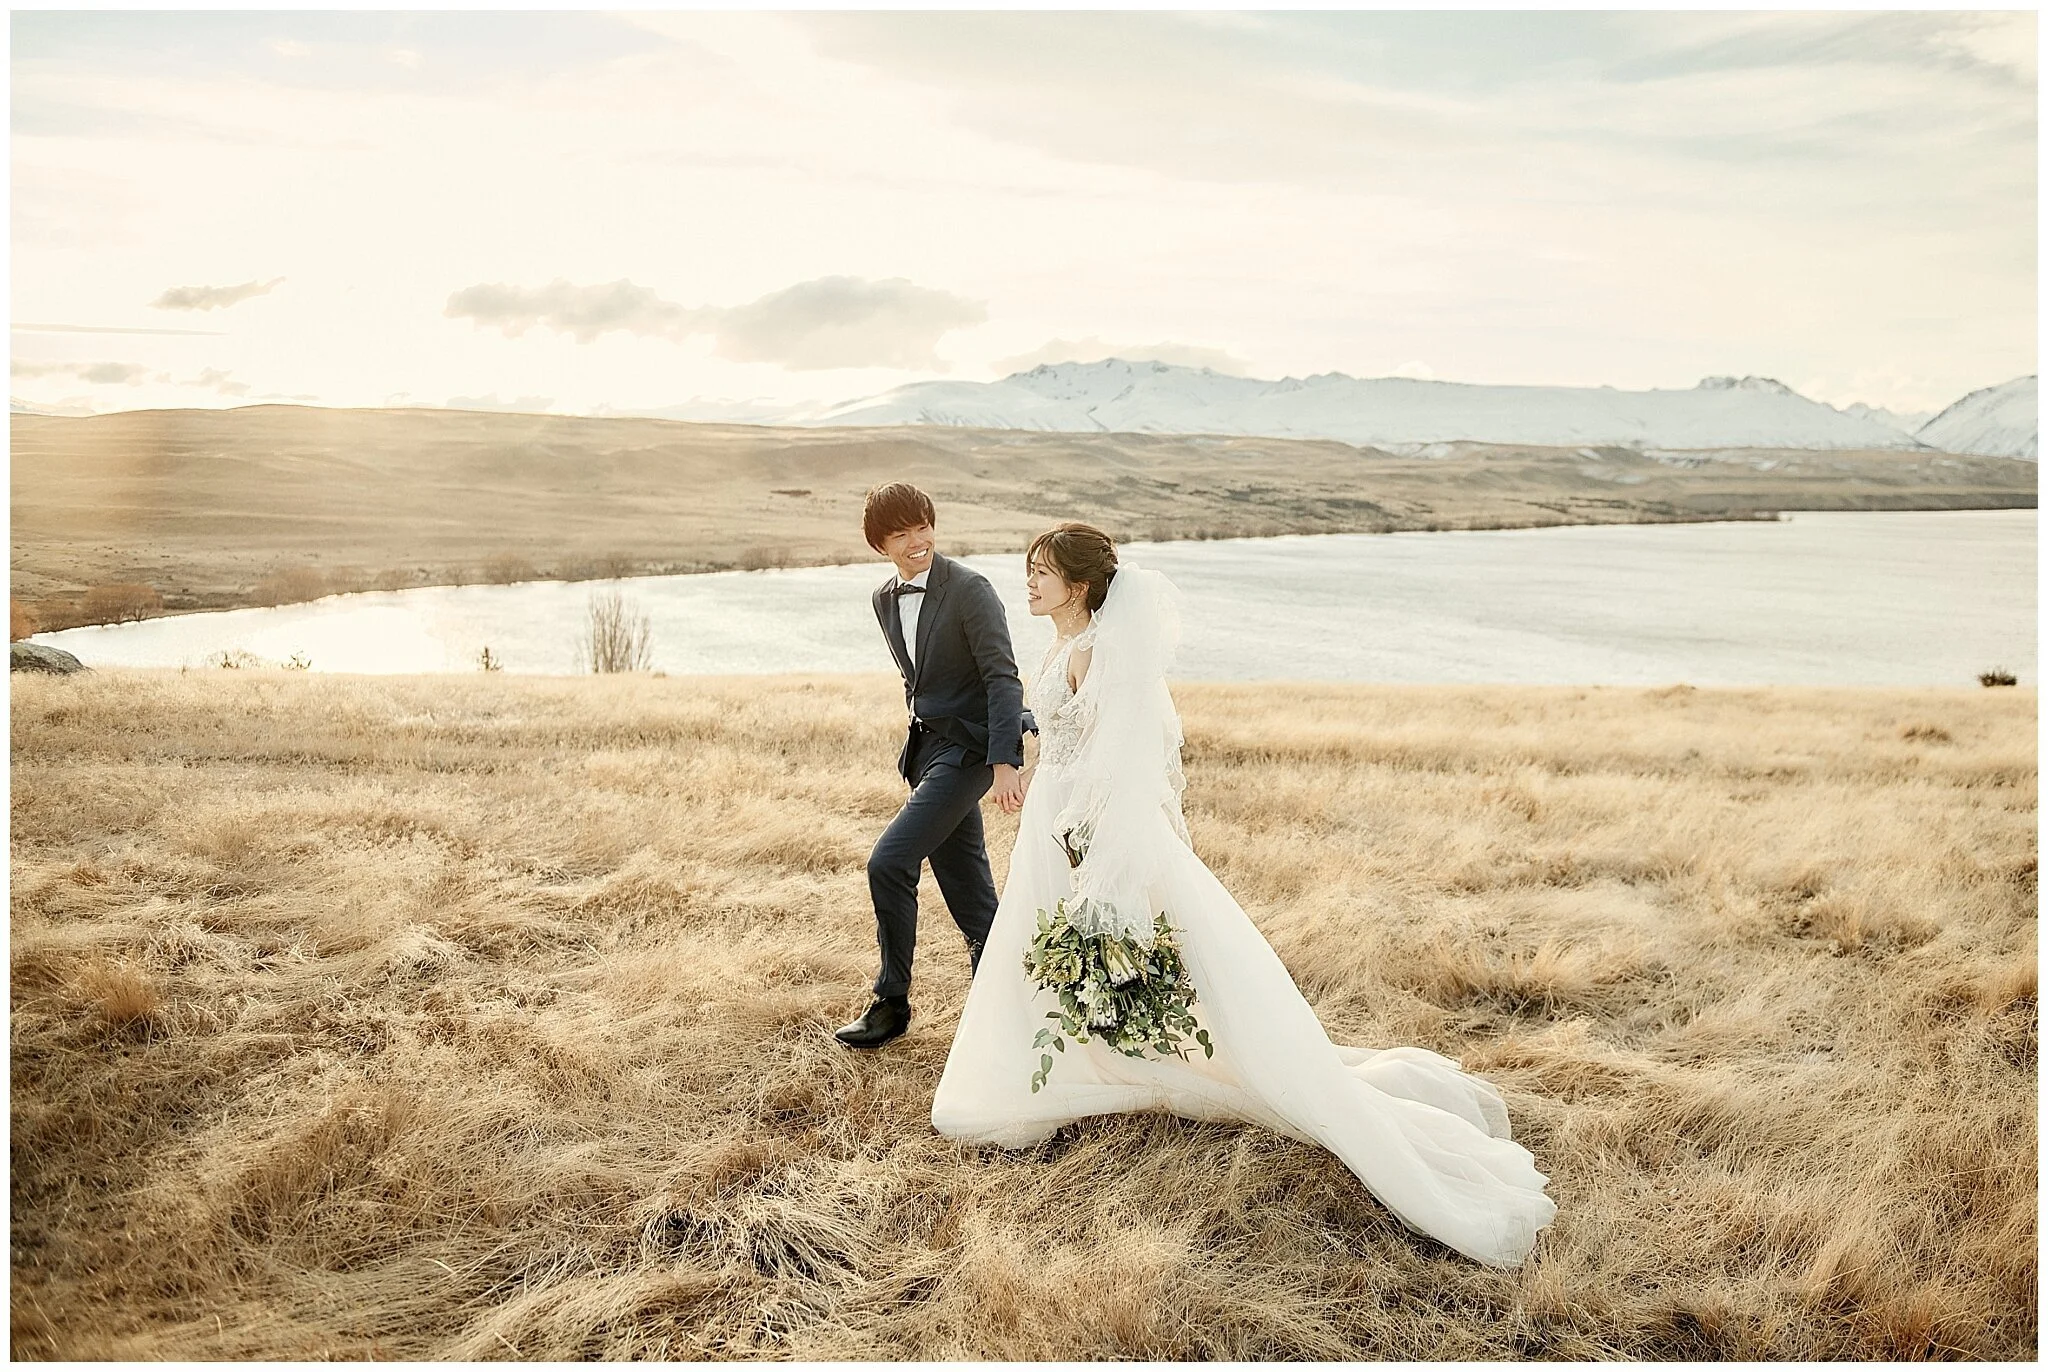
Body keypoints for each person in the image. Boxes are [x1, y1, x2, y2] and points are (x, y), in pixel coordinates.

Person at [930, 521, 1558, 1268]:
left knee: (1162, 958)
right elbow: (1074, 744)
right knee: (1043, 947)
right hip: (1055, 821)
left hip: (1088, 832)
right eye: (1028, 569)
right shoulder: (1063, 647)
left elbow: (1122, 762)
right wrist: (1038, 779)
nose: (1029, 582)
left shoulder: (1100, 652)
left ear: (1080, 585)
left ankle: (1108, 1067)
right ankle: (1072, 1061)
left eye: (1042, 571)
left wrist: (1093, 852)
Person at [834, 482, 1031, 1050]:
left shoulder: (970, 589)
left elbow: (1001, 677)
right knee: (969, 890)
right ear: (881, 545)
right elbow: (917, 679)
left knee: (889, 861)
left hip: (971, 751)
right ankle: (1008, 1003)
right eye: (901, 533)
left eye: (923, 527)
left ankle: (891, 1003)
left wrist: (1003, 762)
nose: (917, 541)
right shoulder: (884, 599)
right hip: (928, 752)